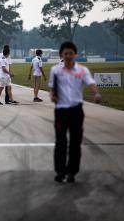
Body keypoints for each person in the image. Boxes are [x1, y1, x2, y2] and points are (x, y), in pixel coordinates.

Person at [49, 41, 102, 183]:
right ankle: (60, 171)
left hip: (76, 110)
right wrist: (52, 95)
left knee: (75, 141)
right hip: (61, 110)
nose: (68, 56)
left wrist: (96, 94)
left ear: (75, 54)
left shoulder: (82, 70)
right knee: (61, 141)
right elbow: (52, 87)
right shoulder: (55, 70)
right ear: (61, 54)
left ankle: (72, 171)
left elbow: (91, 83)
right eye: (65, 53)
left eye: (71, 53)